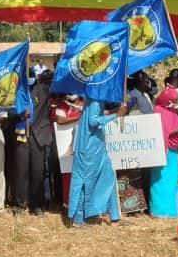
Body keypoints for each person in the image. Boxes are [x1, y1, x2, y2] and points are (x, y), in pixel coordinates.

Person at [66, 96, 127, 228]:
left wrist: (116, 111)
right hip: (89, 151)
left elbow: (97, 116)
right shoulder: (95, 99)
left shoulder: (97, 98)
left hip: (98, 148)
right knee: (84, 184)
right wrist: (116, 115)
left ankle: (115, 218)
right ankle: (78, 220)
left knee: (109, 179)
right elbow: (92, 121)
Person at [12, 69, 53, 215]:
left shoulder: (43, 89)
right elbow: (10, 112)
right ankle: (20, 204)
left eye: (30, 76)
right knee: (21, 172)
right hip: (21, 136)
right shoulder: (16, 92)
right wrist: (20, 114)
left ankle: (37, 204)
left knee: (38, 172)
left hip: (38, 136)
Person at [150, 87, 178, 217]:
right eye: (174, 100)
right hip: (161, 151)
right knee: (160, 181)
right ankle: (159, 210)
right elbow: (158, 133)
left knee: (173, 180)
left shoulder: (172, 111)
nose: (176, 102)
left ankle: (173, 210)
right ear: (166, 99)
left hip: (172, 151)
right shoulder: (157, 111)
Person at [52, 94, 83, 208]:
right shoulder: (62, 107)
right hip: (67, 150)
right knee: (68, 177)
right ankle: (68, 204)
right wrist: (80, 117)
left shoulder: (86, 106)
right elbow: (60, 120)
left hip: (84, 148)